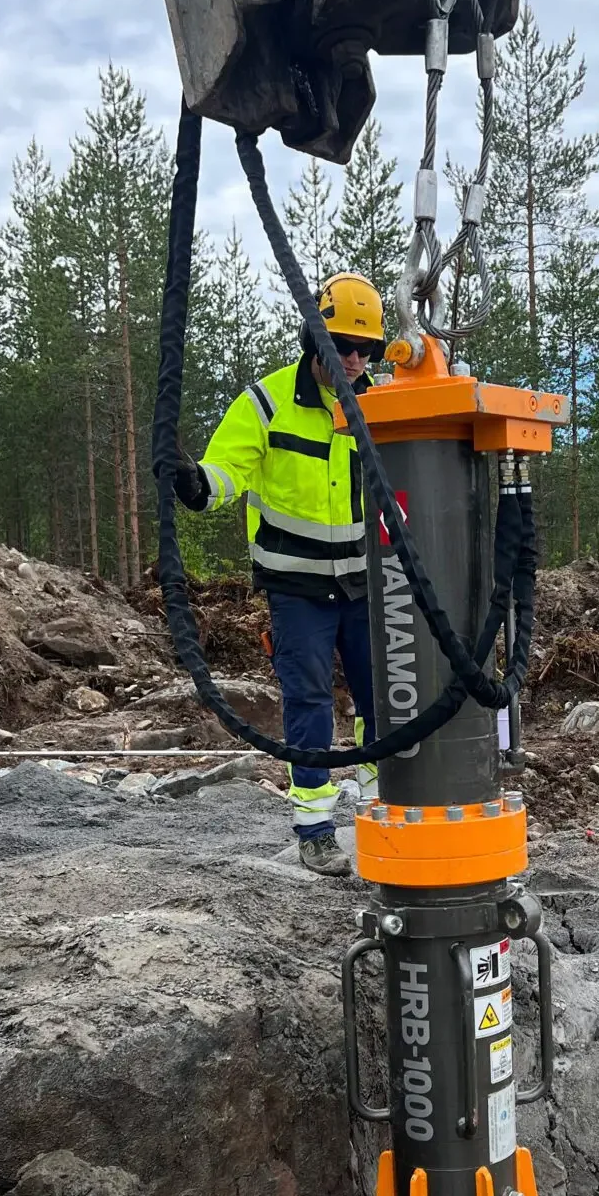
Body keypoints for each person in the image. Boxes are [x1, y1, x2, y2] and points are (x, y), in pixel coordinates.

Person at [176, 273, 384, 877]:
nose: (354, 360)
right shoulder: (266, 404)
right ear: (313, 339)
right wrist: (197, 484)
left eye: (365, 349)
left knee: (383, 699)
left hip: (364, 585)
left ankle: (383, 811)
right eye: (342, 346)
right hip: (297, 589)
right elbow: (227, 470)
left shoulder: (379, 407)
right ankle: (315, 830)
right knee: (309, 703)